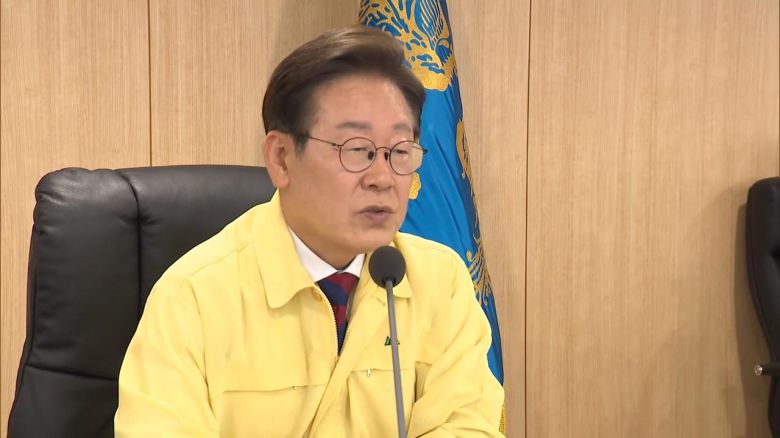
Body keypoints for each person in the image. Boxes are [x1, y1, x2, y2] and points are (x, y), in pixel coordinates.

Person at [115, 25, 504, 437]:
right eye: (357, 150)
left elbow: (470, 426)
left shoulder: (439, 281)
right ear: (282, 158)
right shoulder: (193, 298)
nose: (382, 178)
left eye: (399, 151)